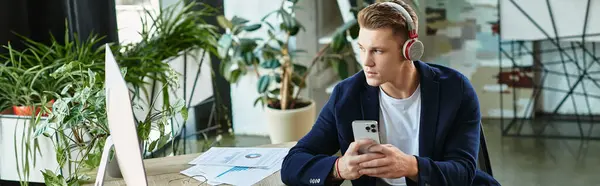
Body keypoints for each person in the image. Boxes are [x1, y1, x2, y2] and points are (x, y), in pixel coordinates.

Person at [280, 0, 500, 186]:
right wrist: (339, 168)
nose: (365, 61)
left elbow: (462, 172)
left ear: (409, 50)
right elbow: (292, 164)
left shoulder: (455, 89)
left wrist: (410, 166)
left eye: (377, 51)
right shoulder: (346, 95)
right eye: (362, 49)